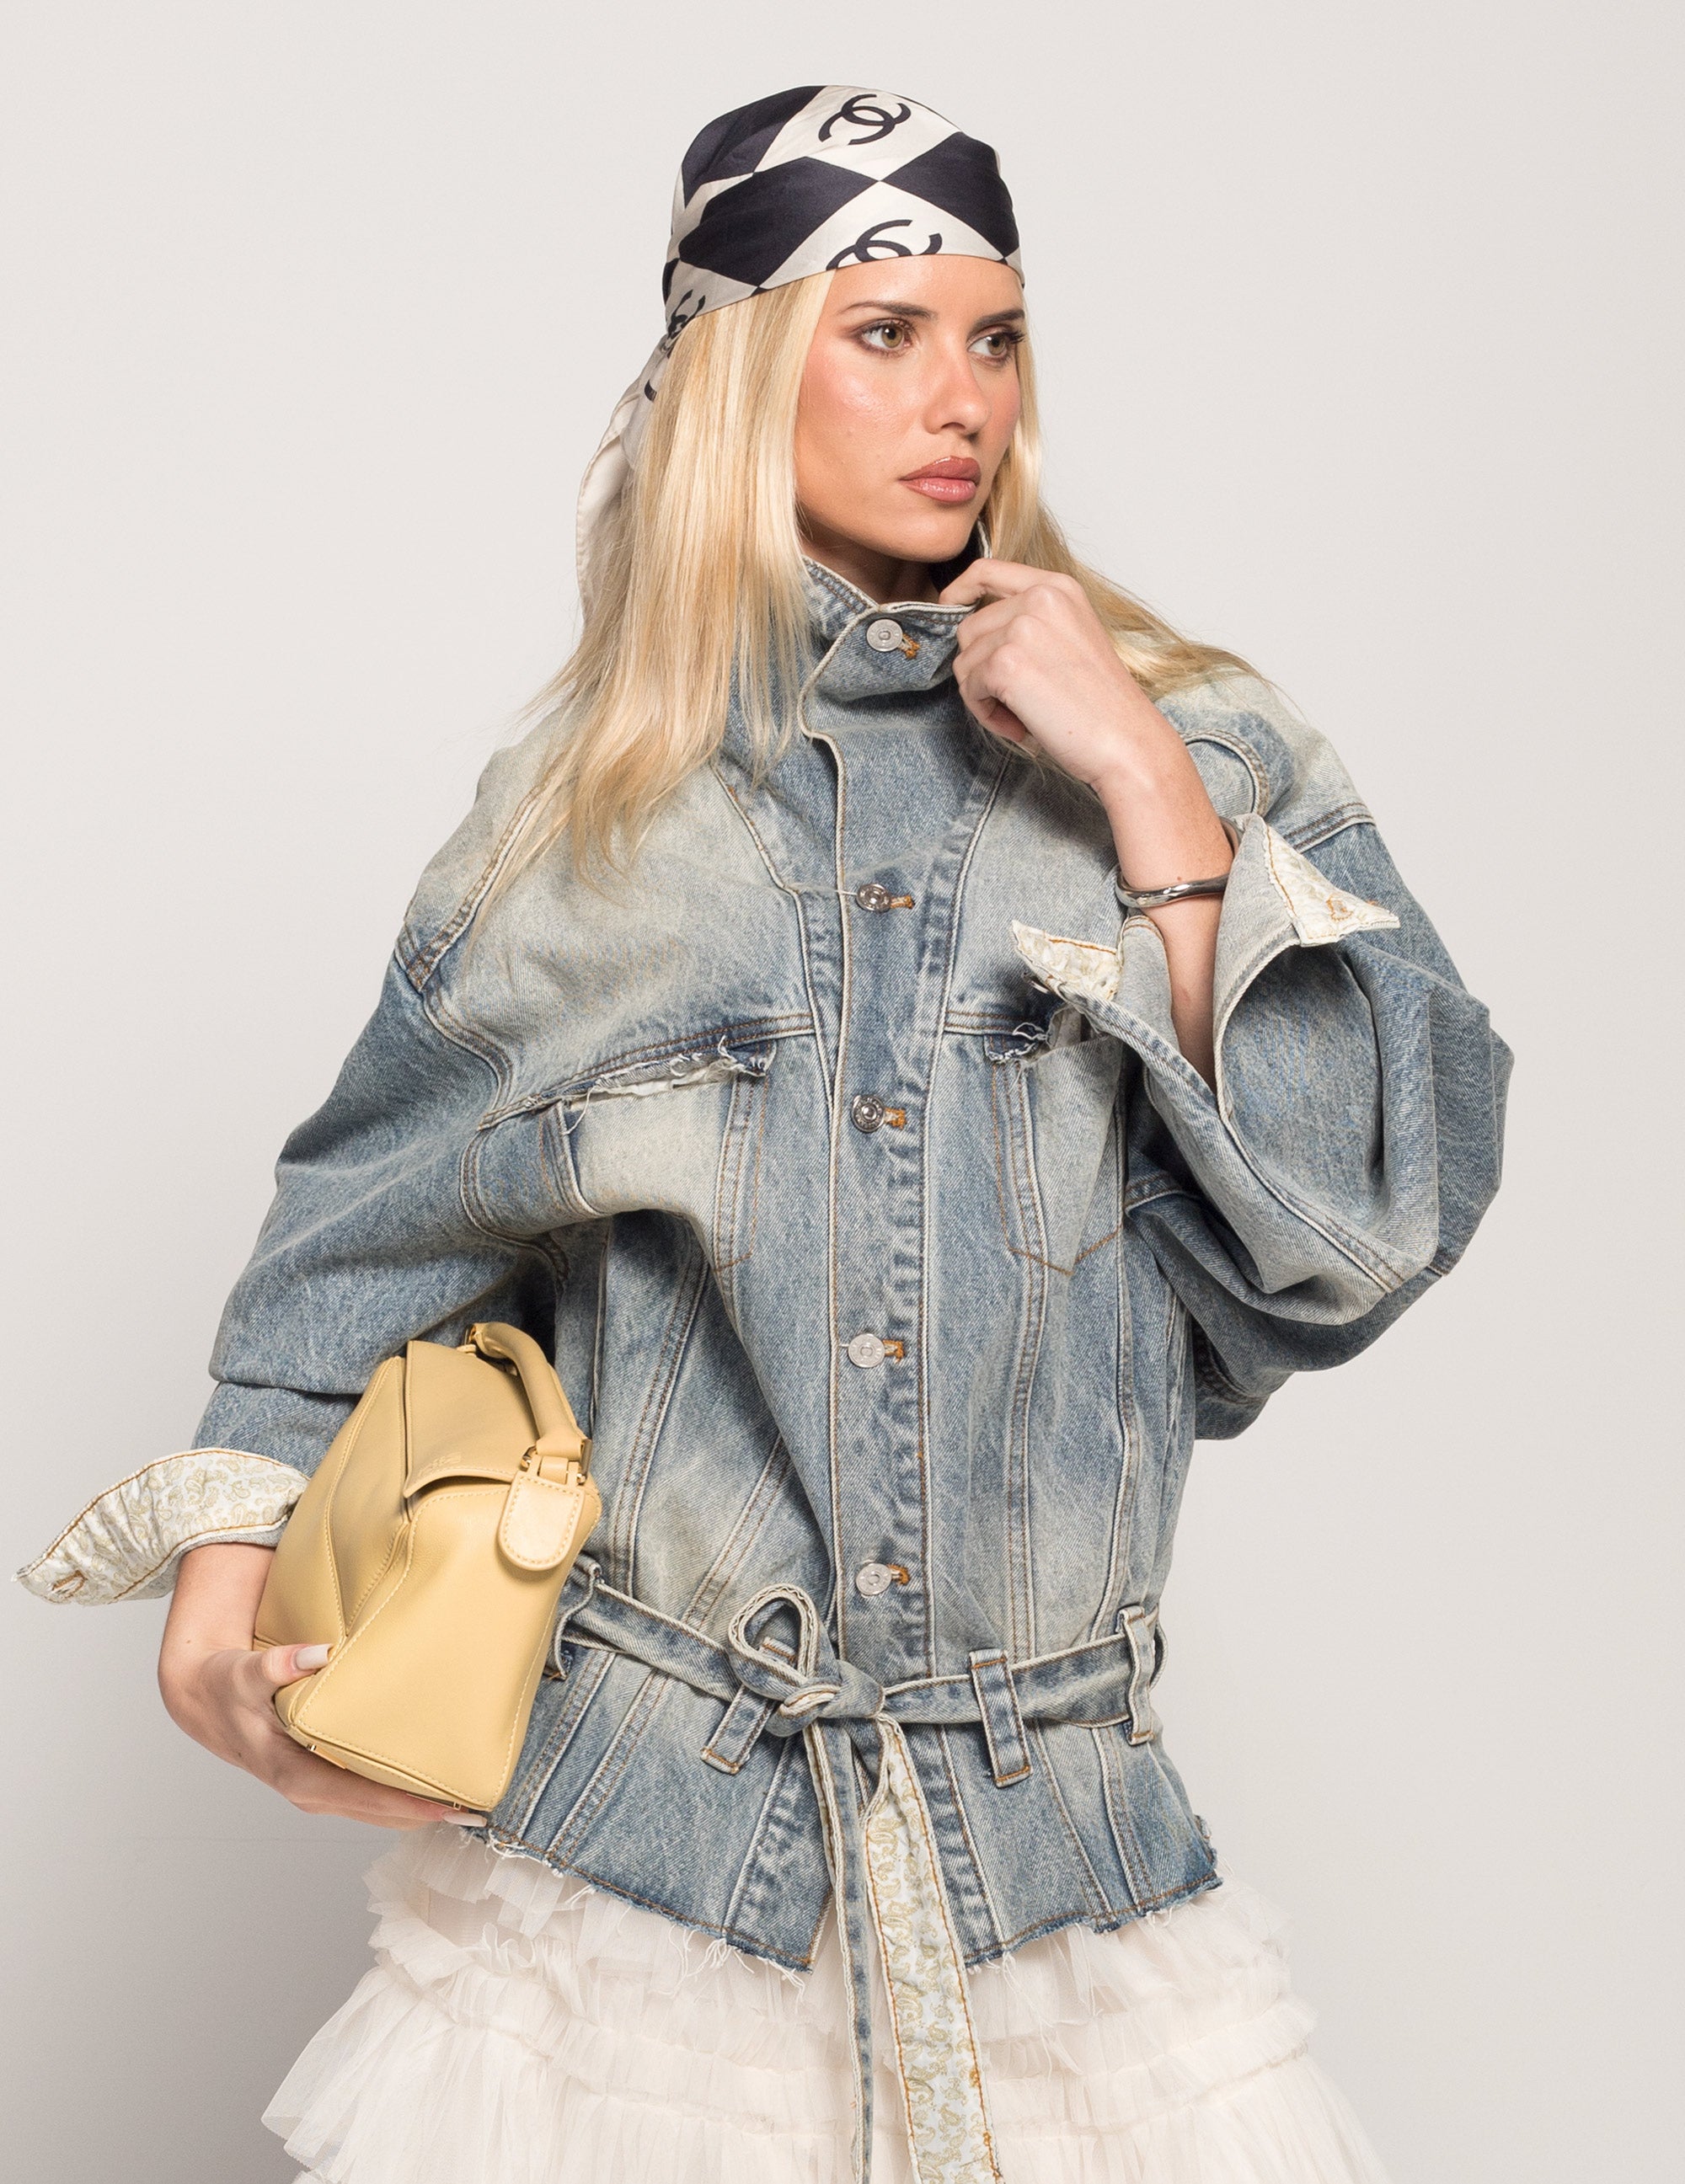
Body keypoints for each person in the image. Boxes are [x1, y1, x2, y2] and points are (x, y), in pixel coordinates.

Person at [19, 84, 1511, 2184]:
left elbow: (1361, 1223)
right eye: (883, 332)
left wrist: (1149, 791)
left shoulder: (1212, 749)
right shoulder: (588, 825)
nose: (962, 400)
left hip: (1059, 1864)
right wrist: (222, 1580)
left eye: (995, 338)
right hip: (635, 1891)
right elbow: (355, 1236)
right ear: (735, 369)